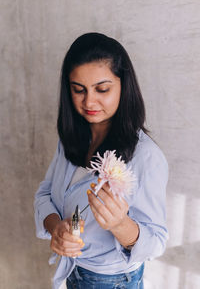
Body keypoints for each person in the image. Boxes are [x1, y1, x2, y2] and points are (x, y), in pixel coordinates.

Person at [34, 32, 168, 289]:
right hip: (73, 272)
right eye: (78, 90)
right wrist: (57, 230)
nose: (89, 102)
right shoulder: (71, 140)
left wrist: (120, 225)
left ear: (123, 86)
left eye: (102, 89)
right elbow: (44, 194)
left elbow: (157, 241)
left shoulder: (146, 157)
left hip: (113, 281)